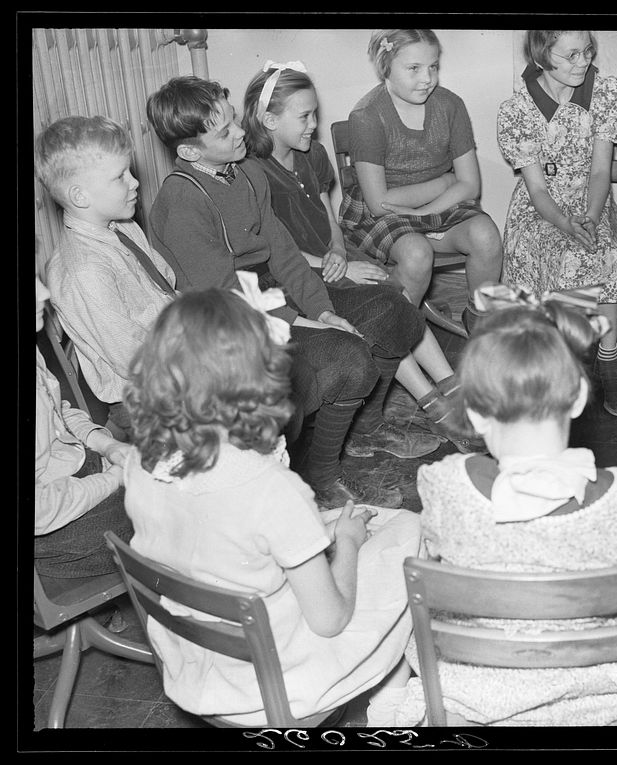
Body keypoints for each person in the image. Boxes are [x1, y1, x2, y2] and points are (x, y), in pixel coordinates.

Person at [390, 284, 617, 726]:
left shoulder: (444, 487)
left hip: (471, 696)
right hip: (602, 700)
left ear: (474, 413)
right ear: (579, 398)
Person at [122, 288, 421, 727]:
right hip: (277, 681)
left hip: (196, 663)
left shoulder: (141, 462)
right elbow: (330, 619)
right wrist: (349, 544)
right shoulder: (271, 489)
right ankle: (391, 709)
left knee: (367, 526)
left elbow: (214, 524)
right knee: (406, 532)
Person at [145, 75, 442, 510]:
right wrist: (300, 321)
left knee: (392, 310)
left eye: (234, 121)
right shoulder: (182, 202)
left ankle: (362, 430)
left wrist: (321, 310)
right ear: (189, 152)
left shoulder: (244, 171)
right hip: (229, 319)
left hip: (270, 287)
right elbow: (227, 293)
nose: (241, 132)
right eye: (224, 132)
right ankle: (319, 475)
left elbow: (284, 252)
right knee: (348, 356)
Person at [240, 60, 483, 453]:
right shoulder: (252, 172)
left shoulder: (313, 154)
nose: (313, 123)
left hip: (331, 256)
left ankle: (450, 384)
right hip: (293, 273)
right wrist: (335, 265)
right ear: (268, 119)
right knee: (385, 309)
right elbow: (273, 248)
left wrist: (338, 248)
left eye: (315, 114)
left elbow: (326, 215)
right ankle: (434, 402)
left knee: (396, 298)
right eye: (303, 116)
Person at [497, 30, 617, 417]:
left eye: (587, 52)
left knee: (601, 247)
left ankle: (606, 356)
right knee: (555, 253)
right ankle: (558, 363)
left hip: (591, 199)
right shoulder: (518, 109)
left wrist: (592, 216)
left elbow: (600, 171)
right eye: (571, 55)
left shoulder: (604, 93)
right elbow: (537, 190)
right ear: (542, 56)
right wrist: (562, 222)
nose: (583, 62)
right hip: (540, 210)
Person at [340, 29, 504, 336]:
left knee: (487, 237)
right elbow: (380, 202)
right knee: (416, 255)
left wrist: (426, 208)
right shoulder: (367, 115)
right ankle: (394, 332)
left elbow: (469, 184)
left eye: (433, 66)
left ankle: (479, 321)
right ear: (385, 66)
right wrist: (444, 183)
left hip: (430, 208)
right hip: (382, 216)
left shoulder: (450, 105)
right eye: (414, 68)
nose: (427, 78)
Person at [35, 115, 178, 438]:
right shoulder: (83, 270)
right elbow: (134, 361)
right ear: (80, 196)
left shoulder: (123, 226)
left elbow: (166, 285)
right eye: (120, 177)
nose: (135, 182)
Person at [34, 268, 134, 579]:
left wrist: (108, 445)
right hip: (52, 529)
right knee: (180, 510)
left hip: (71, 480)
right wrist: (113, 480)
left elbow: (59, 412)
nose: (44, 293)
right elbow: (38, 511)